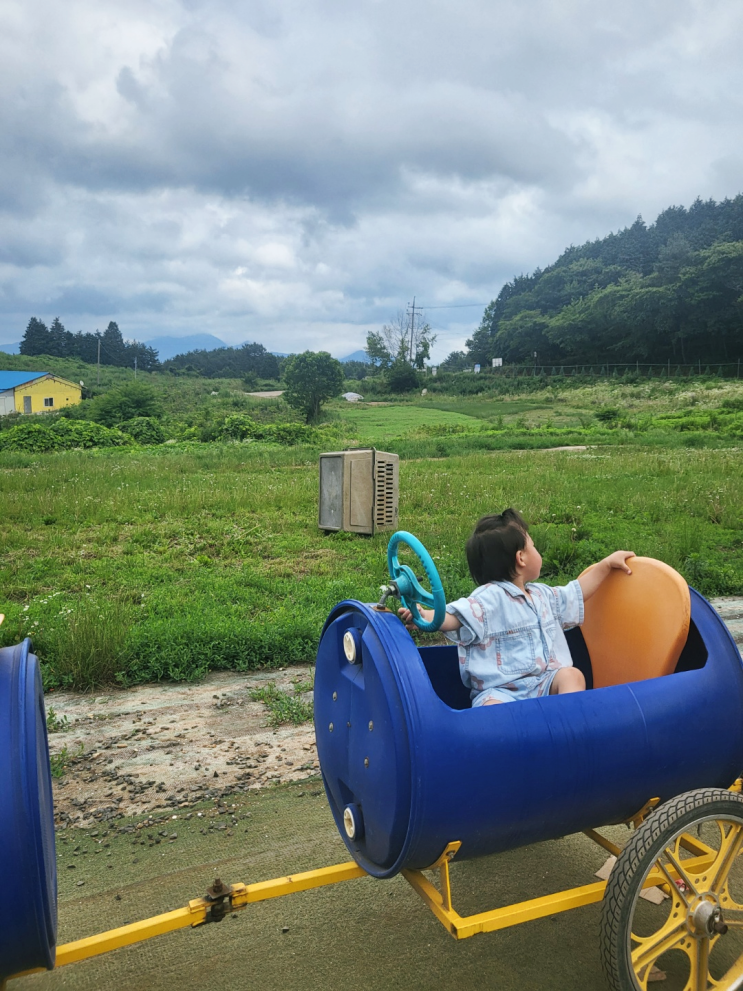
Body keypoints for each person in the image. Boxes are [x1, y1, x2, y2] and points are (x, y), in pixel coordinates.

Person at [398, 509, 634, 707]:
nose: (537, 549)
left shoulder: (543, 595)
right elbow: (455, 617)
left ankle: (565, 722)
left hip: (544, 684)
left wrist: (604, 566)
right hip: (502, 692)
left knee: (572, 675)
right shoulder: (489, 599)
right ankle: (506, 742)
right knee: (489, 708)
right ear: (521, 558)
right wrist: (426, 614)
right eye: (533, 544)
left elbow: (576, 592)